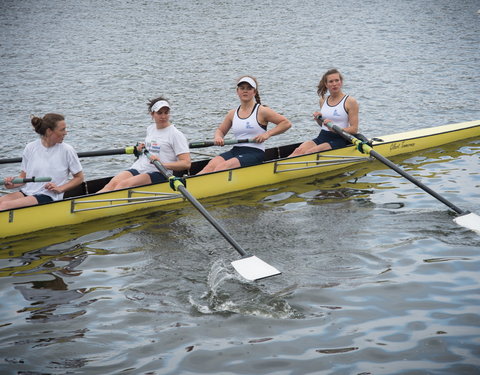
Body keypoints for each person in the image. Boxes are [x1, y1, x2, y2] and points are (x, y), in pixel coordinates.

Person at [197, 75, 291, 174]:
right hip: (236, 150)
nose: (245, 91)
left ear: (254, 92)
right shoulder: (232, 114)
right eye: (242, 88)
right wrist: (218, 137)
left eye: (249, 88)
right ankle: (189, 185)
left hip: (255, 152)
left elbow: (286, 123)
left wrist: (267, 134)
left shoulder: (262, 111)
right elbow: (220, 130)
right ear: (237, 91)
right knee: (211, 165)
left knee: (223, 166)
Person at [97, 97, 191, 192]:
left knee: (123, 185)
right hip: (140, 166)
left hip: (159, 172)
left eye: (166, 113)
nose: (163, 116)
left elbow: (186, 163)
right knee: (112, 183)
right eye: (159, 113)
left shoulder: (175, 134)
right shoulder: (150, 129)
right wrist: (141, 148)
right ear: (152, 114)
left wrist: (163, 164)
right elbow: (154, 147)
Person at [0, 113, 84, 211]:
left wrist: (60, 189)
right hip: (27, 192)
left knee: (4, 206)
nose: (66, 133)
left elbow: (79, 178)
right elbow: (23, 177)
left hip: (49, 195)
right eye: (62, 130)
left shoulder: (67, 150)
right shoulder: (30, 147)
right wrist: (12, 184)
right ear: (49, 131)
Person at [289, 69, 359, 156]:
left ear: (341, 82)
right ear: (326, 84)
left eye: (337, 80)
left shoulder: (350, 101)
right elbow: (323, 125)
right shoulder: (323, 100)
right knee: (298, 151)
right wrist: (318, 119)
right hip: (322, 136)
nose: (334, 84)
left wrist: (335, 129)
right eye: (331, 81)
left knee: (310, 153)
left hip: (340, 139)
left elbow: (354, 129)